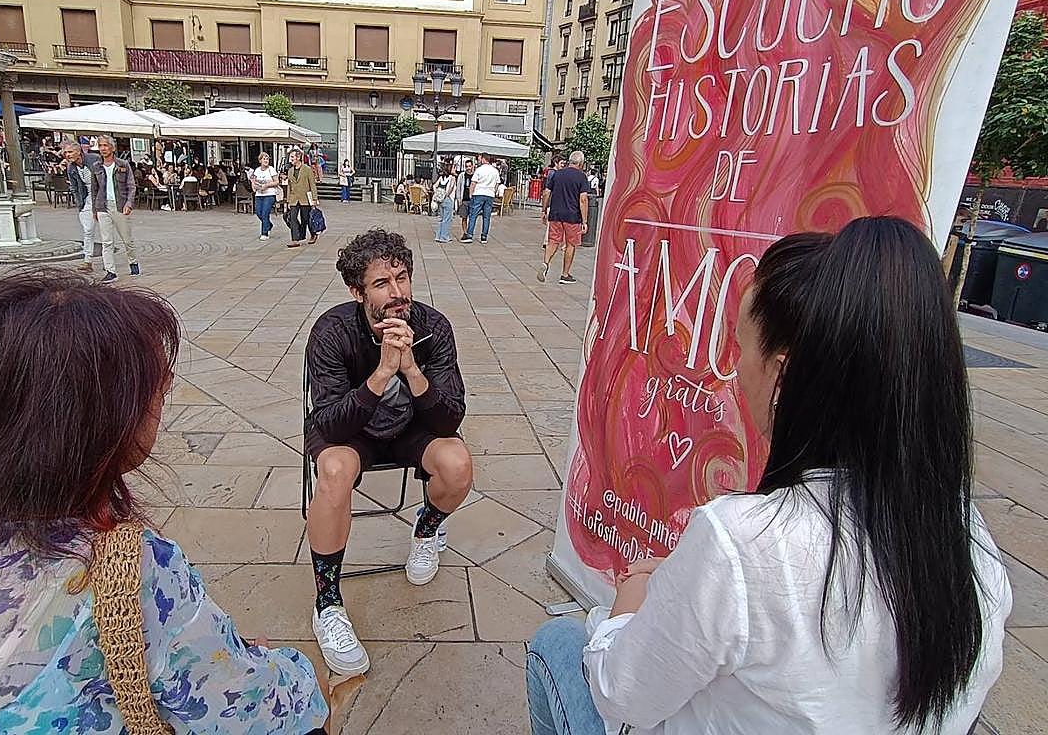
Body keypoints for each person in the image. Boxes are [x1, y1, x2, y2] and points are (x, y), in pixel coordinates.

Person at [526, 217, 1012, 735]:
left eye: (740, 349)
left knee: (559, 645)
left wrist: (627, 609)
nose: (734, 374)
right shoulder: (969, 536)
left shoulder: (742, 542)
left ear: (781, 374)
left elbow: (619, 695)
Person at [0, 270, 330, 734]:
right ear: (102, 419)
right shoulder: (125, 570)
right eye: (157, 389)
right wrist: (286, 669)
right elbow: (254, 708)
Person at [304, 230, 472, 676]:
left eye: (402, 278)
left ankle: (426, 528)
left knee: (457, 464)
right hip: (352, 431)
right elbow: (330, 423)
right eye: (382, 283)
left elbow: (449, 419)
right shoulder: (332, 332)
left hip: (409, 430)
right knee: (335, 470)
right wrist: (381, 372)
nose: (397, 293)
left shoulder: (433, 328)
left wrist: (412, 368)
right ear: (357, 291)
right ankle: (327, 603)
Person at [90, 136, 140, 282]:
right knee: (107, 241)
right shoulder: (96, 167)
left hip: (119, 205)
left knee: (127, 239)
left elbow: (131, 186)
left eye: (106, 145)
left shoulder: (122, 165)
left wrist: (129, 203)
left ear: (112, 148)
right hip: (102, 206)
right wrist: (95, 209)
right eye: (100, 146)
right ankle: (110, 271)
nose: (103, 148)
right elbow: (94, 189)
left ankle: (133, 261)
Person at [537, 151, 590, 285]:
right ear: (581, 163)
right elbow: (583, 199)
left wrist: (544, 210)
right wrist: (584, 221)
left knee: (553, 241)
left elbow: (546, 192)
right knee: (570, 244)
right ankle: (565, 274)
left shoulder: (557, 174)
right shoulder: (581, 177)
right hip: (573, 216)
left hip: (555, 214)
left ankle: (545, 262)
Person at [62, 140, 103, 272]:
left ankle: (109, 262)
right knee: (88, 231)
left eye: (70, 152)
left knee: (106, 231)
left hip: (101, 197)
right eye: (65, 152)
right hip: (86, 199)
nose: (67, 155)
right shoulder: (71, 168)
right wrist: (79, 202)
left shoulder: (94, 159)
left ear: (78, 151)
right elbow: (74, 187)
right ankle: (87, 261)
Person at [461, 153, 501, 244]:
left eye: (479, 159)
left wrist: (471, 194)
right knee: (486, 216)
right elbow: (497, 183)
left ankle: (470, 234)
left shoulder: (479, 170)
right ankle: (484, 236)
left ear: (483, 159)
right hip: (489, 195)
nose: (478, 160)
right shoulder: (495, 171)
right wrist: (493, 192)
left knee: (473, 215)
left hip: (479, 194)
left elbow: (473, 183)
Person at [286, 148, 319, 248]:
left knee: (306, 219)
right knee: (293, 217)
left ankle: (313, 234)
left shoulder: (307, 169)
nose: (290, 159)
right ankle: (295, 239)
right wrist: (288, 200)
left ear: (298, 157)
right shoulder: (290, 170)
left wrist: (314, 199)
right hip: (293, 199)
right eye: (290, 157)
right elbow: (289, 186)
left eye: (292, 157)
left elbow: (312, 185)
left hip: (305, 198)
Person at [251, 151, 280, 241]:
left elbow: (277, 181)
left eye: (267, 159)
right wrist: (254, 187)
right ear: (260, 160)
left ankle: (264, 233)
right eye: (264, 159)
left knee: (265, 213)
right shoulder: (257, 170)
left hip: (269, 194)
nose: (266, 160)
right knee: (259, 213)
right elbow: (253, 180)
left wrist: (267, 185)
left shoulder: (271, 169)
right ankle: (269, 225)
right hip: (259, 194)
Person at [432, 161, 457, 243]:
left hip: (440, 200)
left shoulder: (441, 177)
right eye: (453, 168)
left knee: (441, 218)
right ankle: (444, 237)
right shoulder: (452, 178)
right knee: (447, 219)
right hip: (448, 199)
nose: (455, 169)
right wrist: (446, 195)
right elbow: (451, 188)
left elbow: (434, 185)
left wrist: (437, 193)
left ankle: (438, 236)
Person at [458, 159, 474, 236]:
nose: (468, 168)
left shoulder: (475, 175)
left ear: (472, 166)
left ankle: (469, 232)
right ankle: (465, 232)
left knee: (472, 218)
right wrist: (458, 199)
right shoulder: (462, 175)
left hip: (473, 200)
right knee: (464, 217)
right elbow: (459, 187)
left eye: (469, 166)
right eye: (466, 166)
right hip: (464, 199)